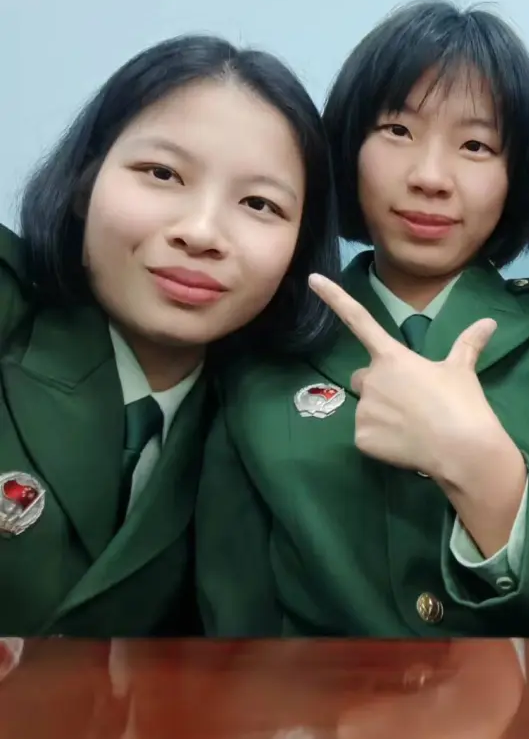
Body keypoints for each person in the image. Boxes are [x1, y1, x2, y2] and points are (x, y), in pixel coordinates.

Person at [196, 0, 529, 638]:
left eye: (476, 145)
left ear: (515, 175)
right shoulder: (264, 338)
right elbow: (232, 627)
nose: (430, 177)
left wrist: (486, 473)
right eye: (398, 131)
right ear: (349, 145)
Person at [0, 35, 341, 637]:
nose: (202, 232)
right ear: (85, 182)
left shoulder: (279, 427)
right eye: (162, 173)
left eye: (259, 204)